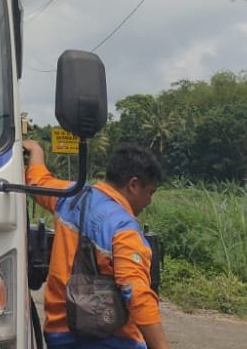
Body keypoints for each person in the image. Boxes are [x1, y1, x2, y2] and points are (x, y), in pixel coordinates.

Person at [21, 139, 168, 349]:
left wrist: (36, 150)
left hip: (60, 333)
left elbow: (37, 181)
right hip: (113, 339)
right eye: (150, 192)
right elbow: (136, 293)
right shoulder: (124, 228)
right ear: (133, 184)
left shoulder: (69, 196)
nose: (148, 202)